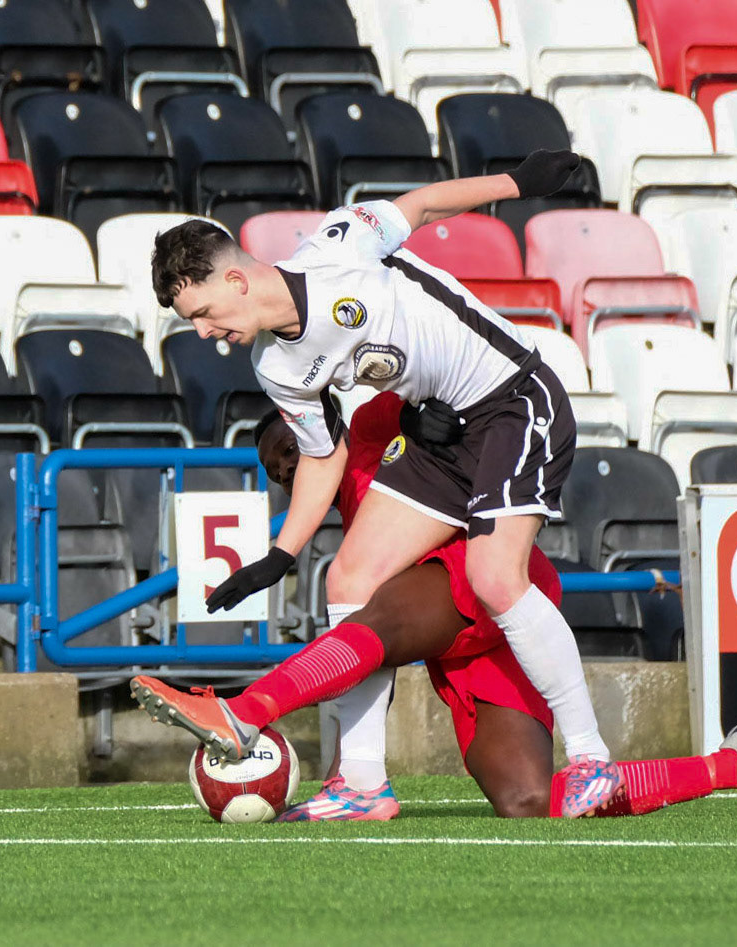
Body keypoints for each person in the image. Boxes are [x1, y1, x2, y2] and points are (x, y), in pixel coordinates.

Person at [147, 151, 623, 816]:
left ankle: (592, 758)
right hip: (441, 437)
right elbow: (321, 455)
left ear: (234, 277)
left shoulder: (341, 241)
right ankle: (362, 782)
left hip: (512, 397)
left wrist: (516, 183)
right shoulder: (278, 368)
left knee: (493, 575)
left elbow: (424, 204)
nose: (203, 332)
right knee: (347, 579)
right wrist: (282, 554)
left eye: (201, 311)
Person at [132, 395, 737, 820]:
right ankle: (732, 764)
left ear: (314, 424)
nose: (289, 468)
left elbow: (419, 387)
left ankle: (246, 711)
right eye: (278, 470)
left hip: (484, 571)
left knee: (364, 615)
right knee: (529, 800)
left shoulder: (372, 420)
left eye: (289, 449)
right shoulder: (335, 509)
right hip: (462, 640)